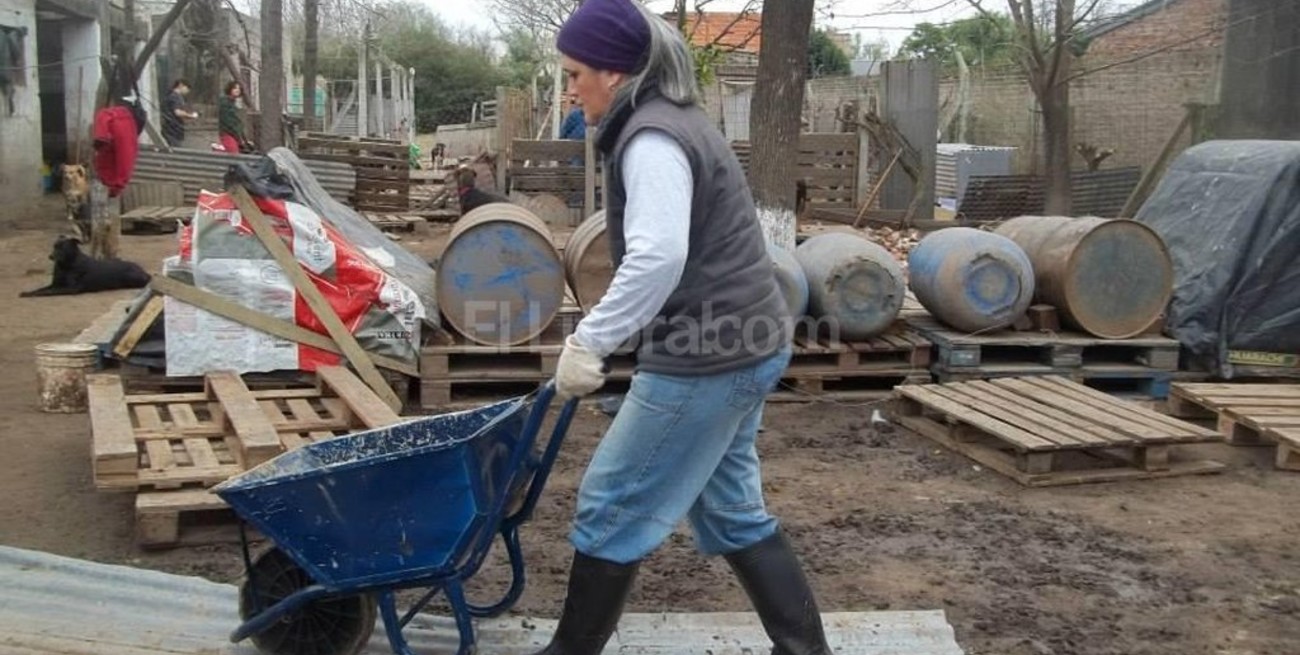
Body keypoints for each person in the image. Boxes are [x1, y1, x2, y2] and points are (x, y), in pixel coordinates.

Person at [538, 1, 832, 655]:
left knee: (610, 502)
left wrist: (590, 340)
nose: (570, 88)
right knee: (731, 507)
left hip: (709, 355)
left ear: (612, 74)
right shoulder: (672, 120)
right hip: (747, 341)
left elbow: (659, 256)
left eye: (575, 72)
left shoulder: (651, 138)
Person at [161, 79, 199, 147]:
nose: (187, 91)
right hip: (173, 129)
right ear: (181, 85)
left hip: (169, 128)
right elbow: (177, 112)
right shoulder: (175, 97)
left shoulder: (169, 95)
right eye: (187, 88)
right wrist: (191, 115)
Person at [218, 81, 249, 154]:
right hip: (227, 133)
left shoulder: (232, 103)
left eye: (239, 88)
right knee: (233, 153)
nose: (237, 90)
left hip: (233, 134)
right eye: (235, 88)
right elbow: (228, 120)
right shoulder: (225, 103)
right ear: (230, 89)